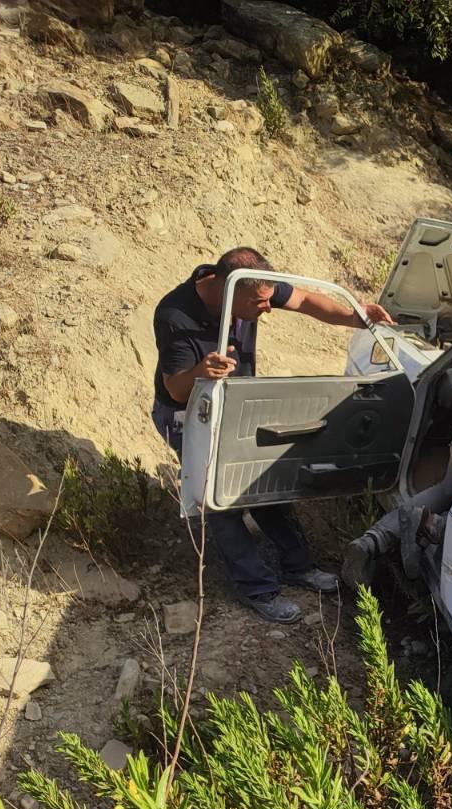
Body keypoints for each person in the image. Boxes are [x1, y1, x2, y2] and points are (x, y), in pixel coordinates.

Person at [151, 246, 394, 624]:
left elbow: (306, 300)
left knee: (267, 484)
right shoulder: (175, 314)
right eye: (260, 303)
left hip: (237, 406)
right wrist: (201, 371)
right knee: (223, 501)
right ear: (231, 290)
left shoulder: (252, 285)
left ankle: (299, 566)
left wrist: (355, 317)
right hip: (188, 414)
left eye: (269, 301)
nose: (267, 310)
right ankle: (258, 589)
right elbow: (175, 389)